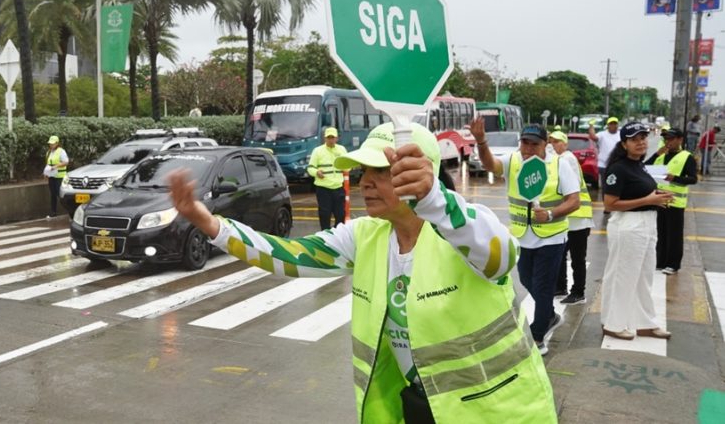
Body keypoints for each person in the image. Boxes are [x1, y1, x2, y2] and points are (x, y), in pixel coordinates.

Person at [168, 123, 556, 423]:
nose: (364, 182)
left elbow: (501, 254)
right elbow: (288, 254)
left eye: (380, 172)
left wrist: (436, 201)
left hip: (495, 411)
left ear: (419, 173)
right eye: (361, 172)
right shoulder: (367, 235)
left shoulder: (466, 229)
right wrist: (210, 224)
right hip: (419, 407)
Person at [472, 119, 580, 355]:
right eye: (525, 142)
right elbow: (490, 165)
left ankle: (538, 335)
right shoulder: (513, 161)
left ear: (545, 145)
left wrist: (551, 213)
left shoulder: (559, 165)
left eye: (534, 143)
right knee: (525, 279)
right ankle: (549, 315)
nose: (529, 148)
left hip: (552, 237)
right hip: (523, 236)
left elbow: (574, 200)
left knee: (542, 286)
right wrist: (481, 141)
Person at [601, 122, 673, 340]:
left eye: (643, 137)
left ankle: (644, 323)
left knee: (644, 276)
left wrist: (658, 196)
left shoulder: (639, 165)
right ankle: (613, 323)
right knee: (623, 275)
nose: (641, 142)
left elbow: (638, 191)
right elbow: (610, 204)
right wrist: (648, 199)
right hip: (628, 226)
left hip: (648, 223)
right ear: (624, 144)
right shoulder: (618, 168)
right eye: (635, 139)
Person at [549, 131, 592, 305]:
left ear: (565, 144)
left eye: (557, 142)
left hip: (579, 218)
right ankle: (560, 287)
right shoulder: (559, 160)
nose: (552, 145)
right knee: (560, 254)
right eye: (550, 142)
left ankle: (578, 292)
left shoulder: (567, 159)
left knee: (577, 258)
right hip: (567, 219)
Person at [646, 128, 697, 274]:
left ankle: (673, 264)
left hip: (675, 201)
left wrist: (675, 178)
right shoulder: (661, 156)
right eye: (666, 139)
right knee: (660, 233)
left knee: (674, 234)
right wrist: (657, 154)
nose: (667, 141)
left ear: (680, 140)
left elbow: (693, 179)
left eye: (671, 138)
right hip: (659, 200)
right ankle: (660, 261)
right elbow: (644, 168)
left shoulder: (687, 157)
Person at [306, 126, 349, 230]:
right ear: (325, 138)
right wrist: (317, 172)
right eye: (328, 137)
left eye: (332, 137)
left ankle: (338, 234)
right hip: (323, 188)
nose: (331, 140)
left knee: (340, 214)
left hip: (338, 187)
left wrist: (346, 166)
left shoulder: (341, 149)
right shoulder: (318, 151)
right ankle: (325, 234)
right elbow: (310, 168)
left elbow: (348, 166)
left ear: (337, 138)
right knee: (325, 214)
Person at [589, 116, 621, 215]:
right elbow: (593, 137)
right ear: (608, 125)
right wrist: (591, 125)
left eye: (615, 123)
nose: (613, 125)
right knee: (606, 187)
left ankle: (618, 205)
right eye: (611, 124)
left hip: (617, 165)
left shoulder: (621, 135)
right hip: (604, 165)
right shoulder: (602, 134)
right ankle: (607, 207)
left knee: (619, 186)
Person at [44, 135, 69, 217]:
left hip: (60, 176)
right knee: (53, 194)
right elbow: (48, 164)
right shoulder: (48, 152)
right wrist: (46, 173)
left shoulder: (61, 151)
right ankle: (53, 212)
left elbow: (66, 162)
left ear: (57, 143)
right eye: (50, 143)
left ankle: (69, 210)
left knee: (60, 194)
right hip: (52, 176)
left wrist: (56, 166)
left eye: (53, 143)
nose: (51, 145)